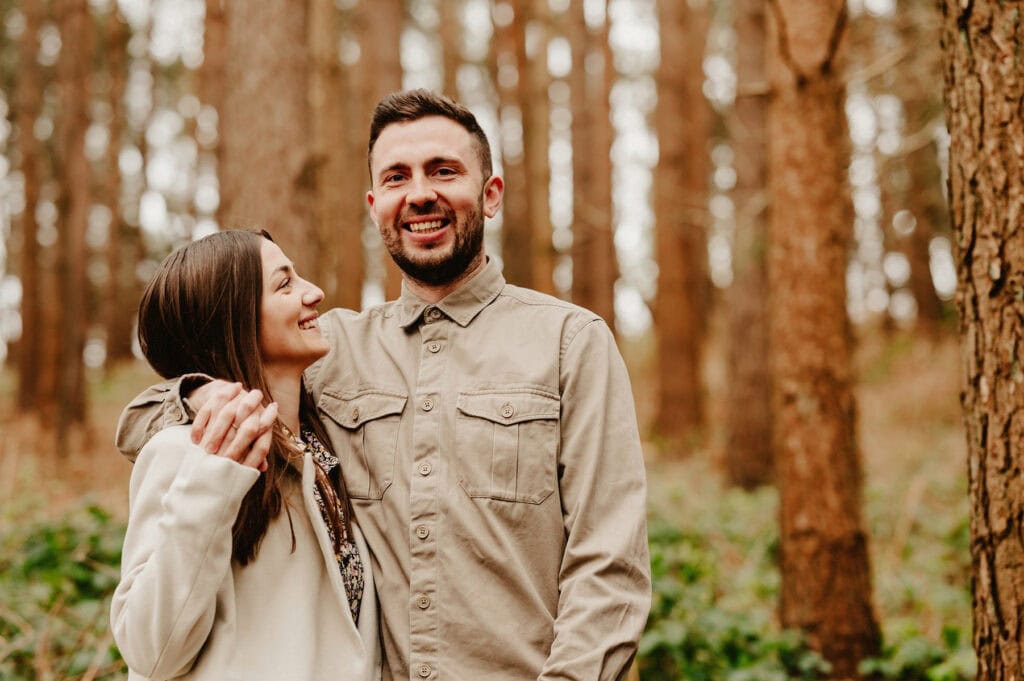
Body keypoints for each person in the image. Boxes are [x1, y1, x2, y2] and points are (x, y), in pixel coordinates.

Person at [116, 89, 651, 680]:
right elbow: (146, 417)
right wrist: (200, 393)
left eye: (444, 171)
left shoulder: (570, 343)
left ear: (490, 194)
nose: (420, 193)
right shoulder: (327, 350)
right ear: (375, 205)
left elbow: (609, 569)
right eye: (397, 177)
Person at [109, 230, 380, 681]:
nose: (314, 293)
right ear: (232, 321)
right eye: (285, 284)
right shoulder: (185, 452)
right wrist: (211, 480)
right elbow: (148, 651)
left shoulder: (320, 448)